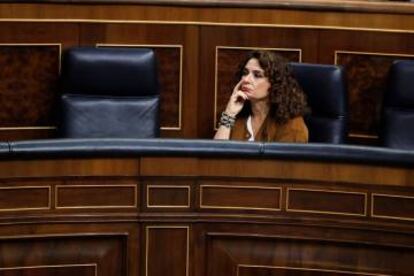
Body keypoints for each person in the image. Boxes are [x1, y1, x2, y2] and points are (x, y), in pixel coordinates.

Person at [214, 50, 309, 142]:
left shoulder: (292, 124)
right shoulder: (238, 116)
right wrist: (229, 113)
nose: (246, 80)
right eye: (245, 73)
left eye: (257, 75)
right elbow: (216, 154)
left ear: (274, 83)